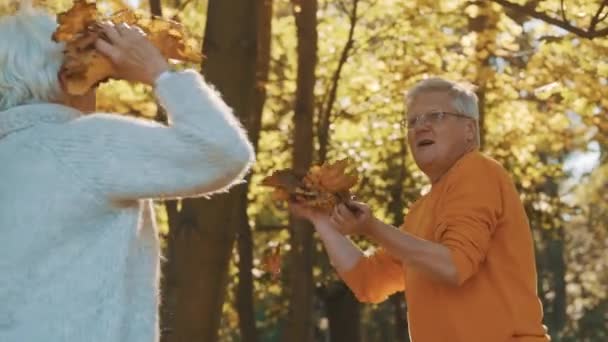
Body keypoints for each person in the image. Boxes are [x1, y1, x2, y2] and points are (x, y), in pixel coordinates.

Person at [0, 6, 254, 342]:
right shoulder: (85, 145)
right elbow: (224, 152)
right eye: (96, 77)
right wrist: (158, 73)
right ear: (67, 76)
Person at [292, 77, 550, 341]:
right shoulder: (420, 211)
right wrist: (321, 220)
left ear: (469, 130)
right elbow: (370, 281)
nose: (420, 127)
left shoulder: (478, 171)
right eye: (412, 121)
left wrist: (373, 228)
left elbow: (454, 266)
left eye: (436, 116)